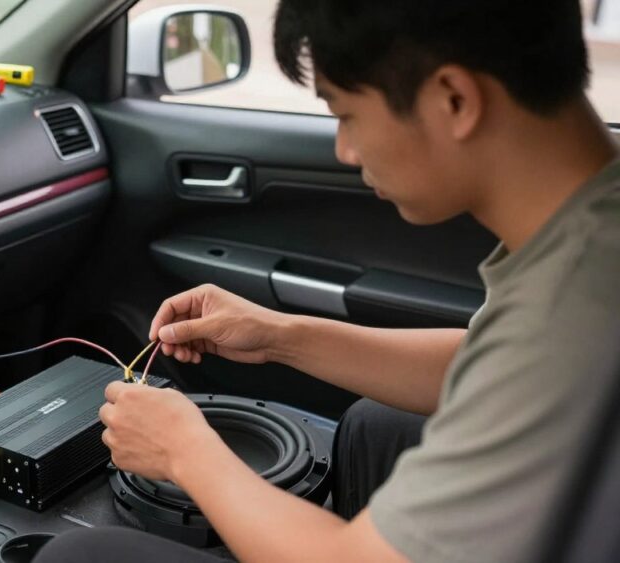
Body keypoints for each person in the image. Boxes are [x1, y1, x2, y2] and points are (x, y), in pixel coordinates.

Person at [35, 0, 620, 561]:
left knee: (81, 553)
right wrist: (277, 335)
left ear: (453, 99)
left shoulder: (573, 305)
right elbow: (489, 364)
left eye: (346, 113)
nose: (344, 149)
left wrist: (186, 452)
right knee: (378, 424)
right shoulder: (590, 230)